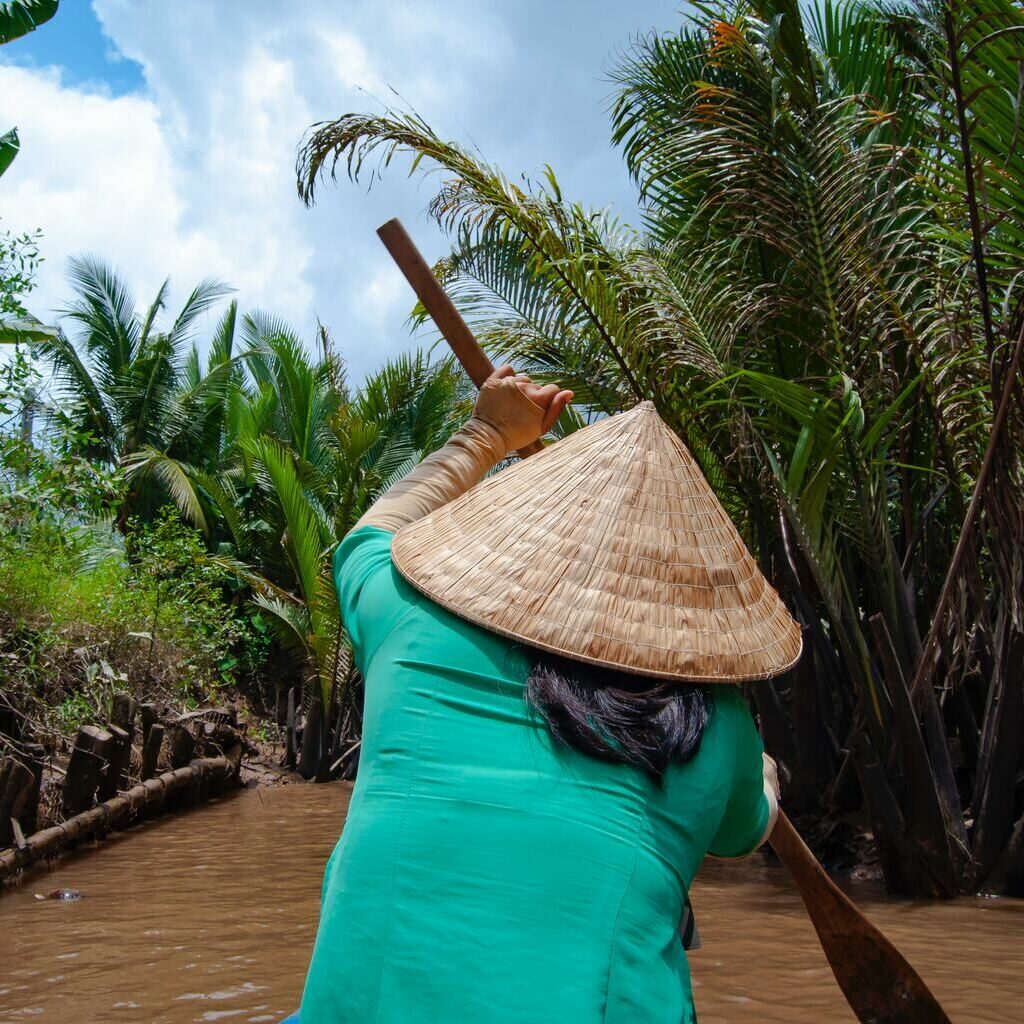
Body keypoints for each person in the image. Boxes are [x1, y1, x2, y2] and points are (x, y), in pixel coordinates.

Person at [297, 367, 801, 1024]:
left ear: (527, 537)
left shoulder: (408, 620)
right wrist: (762, 775)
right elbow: (743, 831)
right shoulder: (718, 722)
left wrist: (487, 433)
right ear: (681, 592)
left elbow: (369, 537)